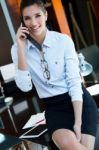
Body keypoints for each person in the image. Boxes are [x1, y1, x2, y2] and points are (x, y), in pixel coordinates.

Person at [11, 0, 97, 149]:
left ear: (45, 15)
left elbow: (75, 83)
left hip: (79, 102)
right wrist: (20, 48)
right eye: (27, 18)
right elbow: (25, 87)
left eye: (37, 15)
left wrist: (78, 123)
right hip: (54, 108)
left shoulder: (63, 41)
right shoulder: (17, 49)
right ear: (22, 22)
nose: (33, 22)